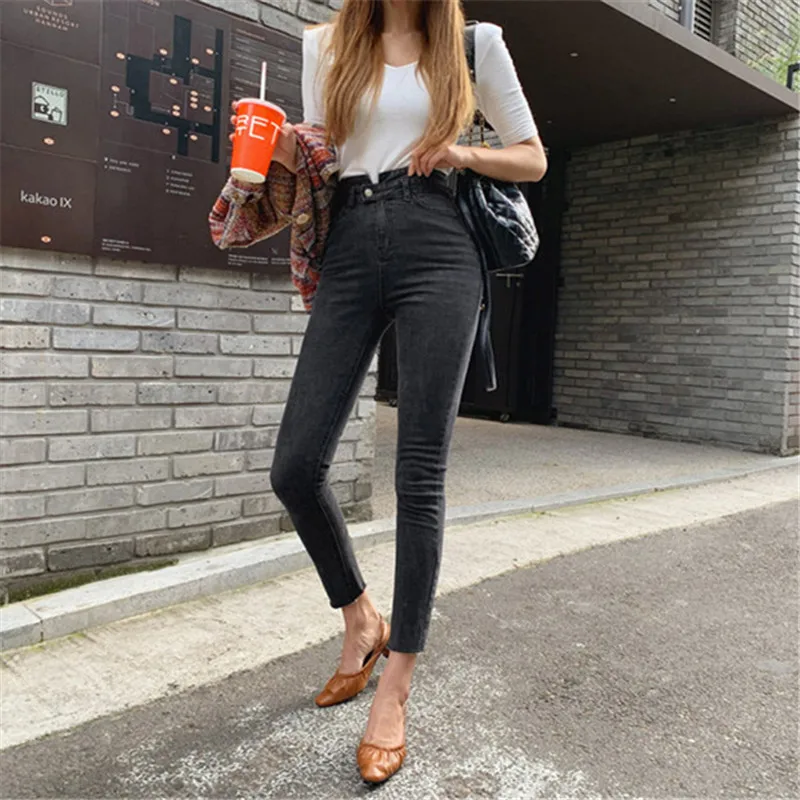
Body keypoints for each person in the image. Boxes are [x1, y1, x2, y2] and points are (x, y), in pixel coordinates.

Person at [220, 0, 545, 784]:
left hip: (441, 240)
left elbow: (532, 158)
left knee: (419, 472)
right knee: (295, 466)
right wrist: (277, 152)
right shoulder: (326, 46)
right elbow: (324, 157)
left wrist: (460, 152)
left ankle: (395, 685)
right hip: (351, 242)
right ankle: (361, 618)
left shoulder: (473, 45)